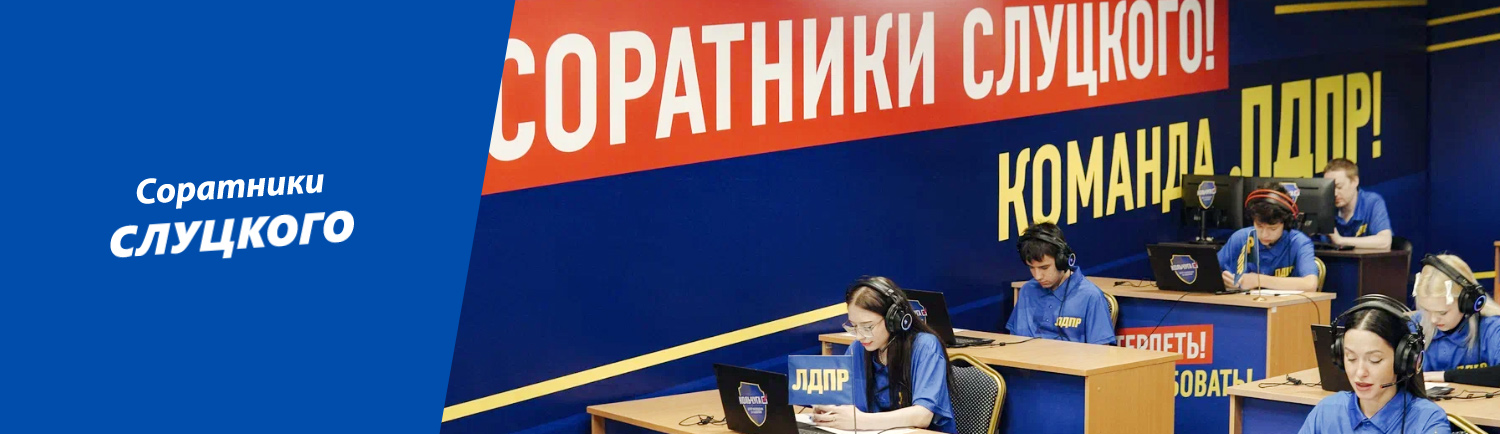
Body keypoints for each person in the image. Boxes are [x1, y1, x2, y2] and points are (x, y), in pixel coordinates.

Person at [812, 276, 958, 434]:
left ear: (893, 320)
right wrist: (828, 408)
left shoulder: (925, 346)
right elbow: (840, 397)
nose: (859, 336)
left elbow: (922, 416)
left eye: (867, 327)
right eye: (854, 326)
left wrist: (860, 420)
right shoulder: (858, 349)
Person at [1298, 295, 1448, 434]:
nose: (1360, 372)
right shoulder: (1327, 411)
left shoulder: (1428, 420)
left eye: (1374, 360)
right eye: (1351, 358)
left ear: (1402, 360)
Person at [1005, 222, 1116, 345]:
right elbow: (1014, 342)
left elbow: (1102, 352)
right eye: (1031, 267)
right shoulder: (1027, 291)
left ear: (1062, 261)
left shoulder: (1091, 296)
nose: (1037, 276)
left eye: (1044, 267)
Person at [1411, 254, 1500, 383]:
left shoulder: (1492, 328)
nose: (1433, 320)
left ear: (1468, 303)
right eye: (1427, 310)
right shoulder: (1413, 326)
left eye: (1442, 313)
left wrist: (1445, 376)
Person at [1218, 183, 1320, 292]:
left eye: (1273, 229)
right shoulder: (1241, 238)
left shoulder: (1299, 242)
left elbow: (1310, 284)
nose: (1264, 235)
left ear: (1286, 224)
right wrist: (1226, 282)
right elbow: (1209, 273)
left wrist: (1258, 280)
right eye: (1259, 226)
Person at [1323, 158, 1393, 249]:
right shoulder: (1324, 205)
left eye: (1339, 187)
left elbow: (1385, 242)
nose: (1335, 193)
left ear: (1355, 181)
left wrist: (1340, 240)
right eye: (1330, 188)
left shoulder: (1371, 202)